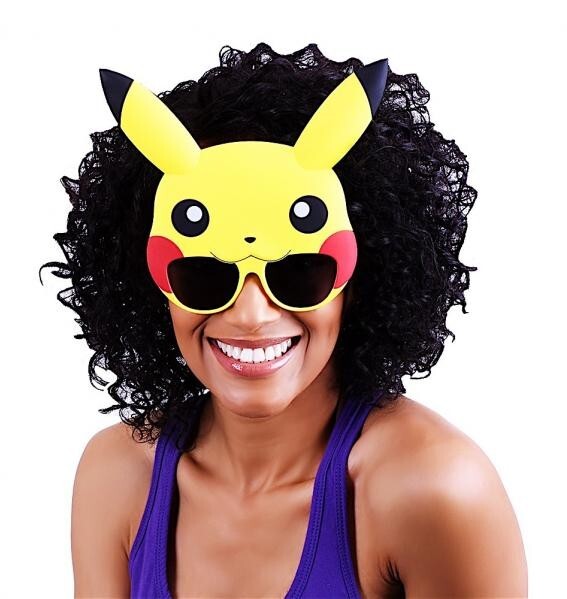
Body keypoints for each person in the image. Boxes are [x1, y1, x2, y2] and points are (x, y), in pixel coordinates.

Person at [41, 43, 527, 598]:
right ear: (155, 283)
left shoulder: (432, 488)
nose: (250, 316)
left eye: (300, 274)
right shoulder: (118, 475)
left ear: (359, 277)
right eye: (204, 277)